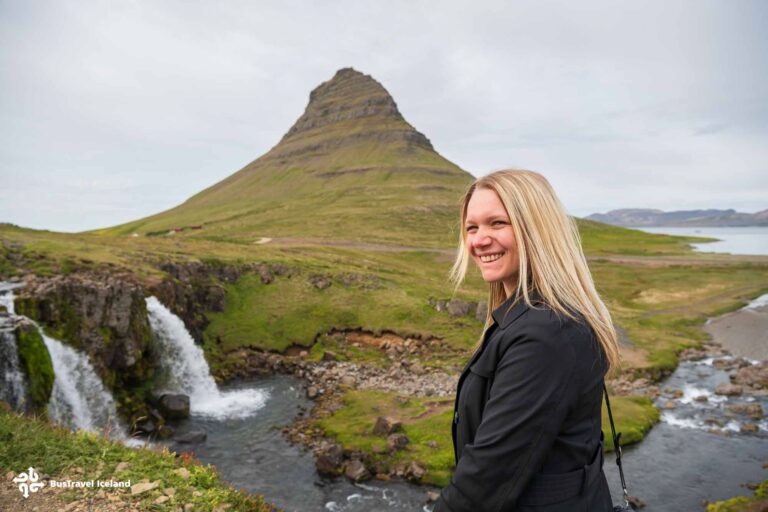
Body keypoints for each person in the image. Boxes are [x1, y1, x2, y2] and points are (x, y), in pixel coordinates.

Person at [433, 169, 621, 512]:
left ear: (536, 230)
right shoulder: (533, 318)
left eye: (497, 223)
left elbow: (486, 479)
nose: (479, 240)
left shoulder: (545, 335)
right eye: (472, 227)